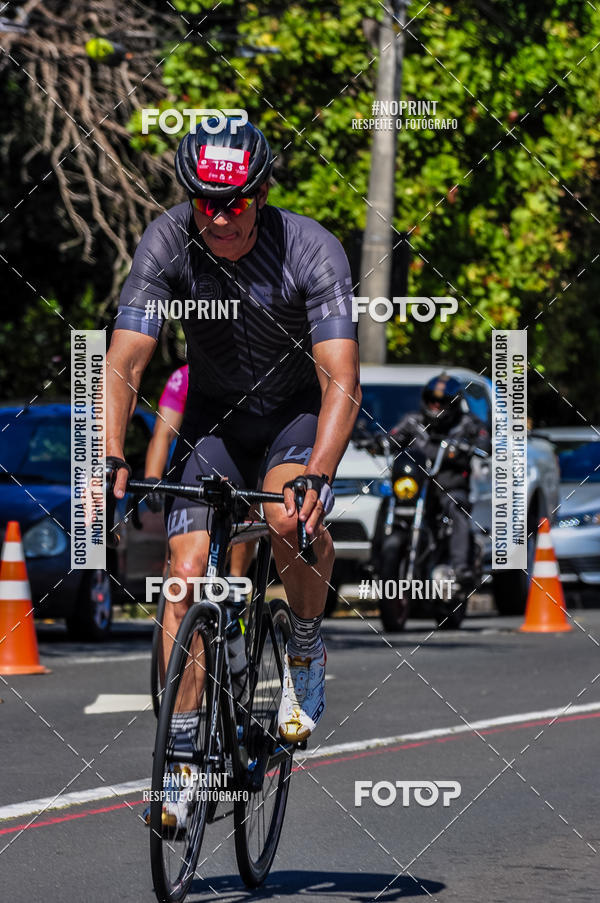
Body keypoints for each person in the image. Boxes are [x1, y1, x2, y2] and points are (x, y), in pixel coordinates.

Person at [105, 118, 360, 830]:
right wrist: (109, 453)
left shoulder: (312, 248)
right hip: (215, 419)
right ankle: (183, 769)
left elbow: (341, 378)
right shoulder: (165, 240)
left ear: (263, 191)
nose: (219, 218)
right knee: (184, 580)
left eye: (236, 203)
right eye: (205, 202)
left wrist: (317, 473)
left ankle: (305, 648)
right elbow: (126, 360)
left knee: (287, 517)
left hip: (292, 416)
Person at [144, 363, 255, 698]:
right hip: (196, 465)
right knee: (181, 566)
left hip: (247, 458)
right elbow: (163, 433)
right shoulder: (184, 376)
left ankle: (234, 588)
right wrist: (152, 479)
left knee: (246, 507)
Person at [390, 373, 491, 588]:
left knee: (456, 510)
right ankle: (380, 561)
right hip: (417, 486)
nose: (435, 405)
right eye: (431, 400)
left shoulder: (467, 424)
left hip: (450, 487)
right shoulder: (413, 421)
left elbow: (483, 439)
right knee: (388, 502)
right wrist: (376, 440)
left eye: (441, 401)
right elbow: (394, 436)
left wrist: (476, 446)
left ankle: (461, 568)